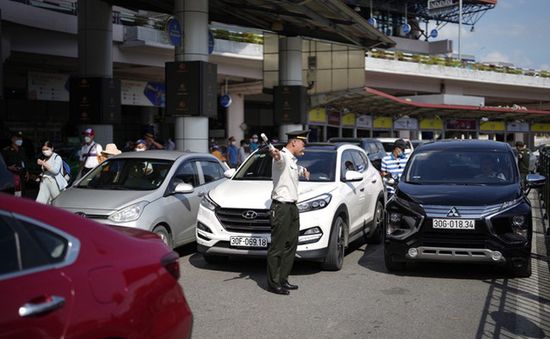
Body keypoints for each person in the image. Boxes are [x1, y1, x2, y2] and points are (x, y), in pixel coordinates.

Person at [267, 130, 310, 295]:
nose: (304, 147)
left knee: (291, 245)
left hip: (292, 207)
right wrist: (275, 154)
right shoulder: (282, 157)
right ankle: (273, 282)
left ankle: (283, 279)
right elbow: (278, 159)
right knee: (278, 246)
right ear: (294, 142)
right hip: (281, 207)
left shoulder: (292, 160)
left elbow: (295, 169)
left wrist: (303, 171)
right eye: (302, 143)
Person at [2, 131, 29, 196]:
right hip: (11, 176)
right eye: (18, 139)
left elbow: (24, 161)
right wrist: (8, 167)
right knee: (12, 195)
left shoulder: (22, 150)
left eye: (21, 139)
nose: (20, 140)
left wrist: (27, 172)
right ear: (12, 139)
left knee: (21, 194)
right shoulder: (6, 150)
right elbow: (2, 164)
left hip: (21, 175)